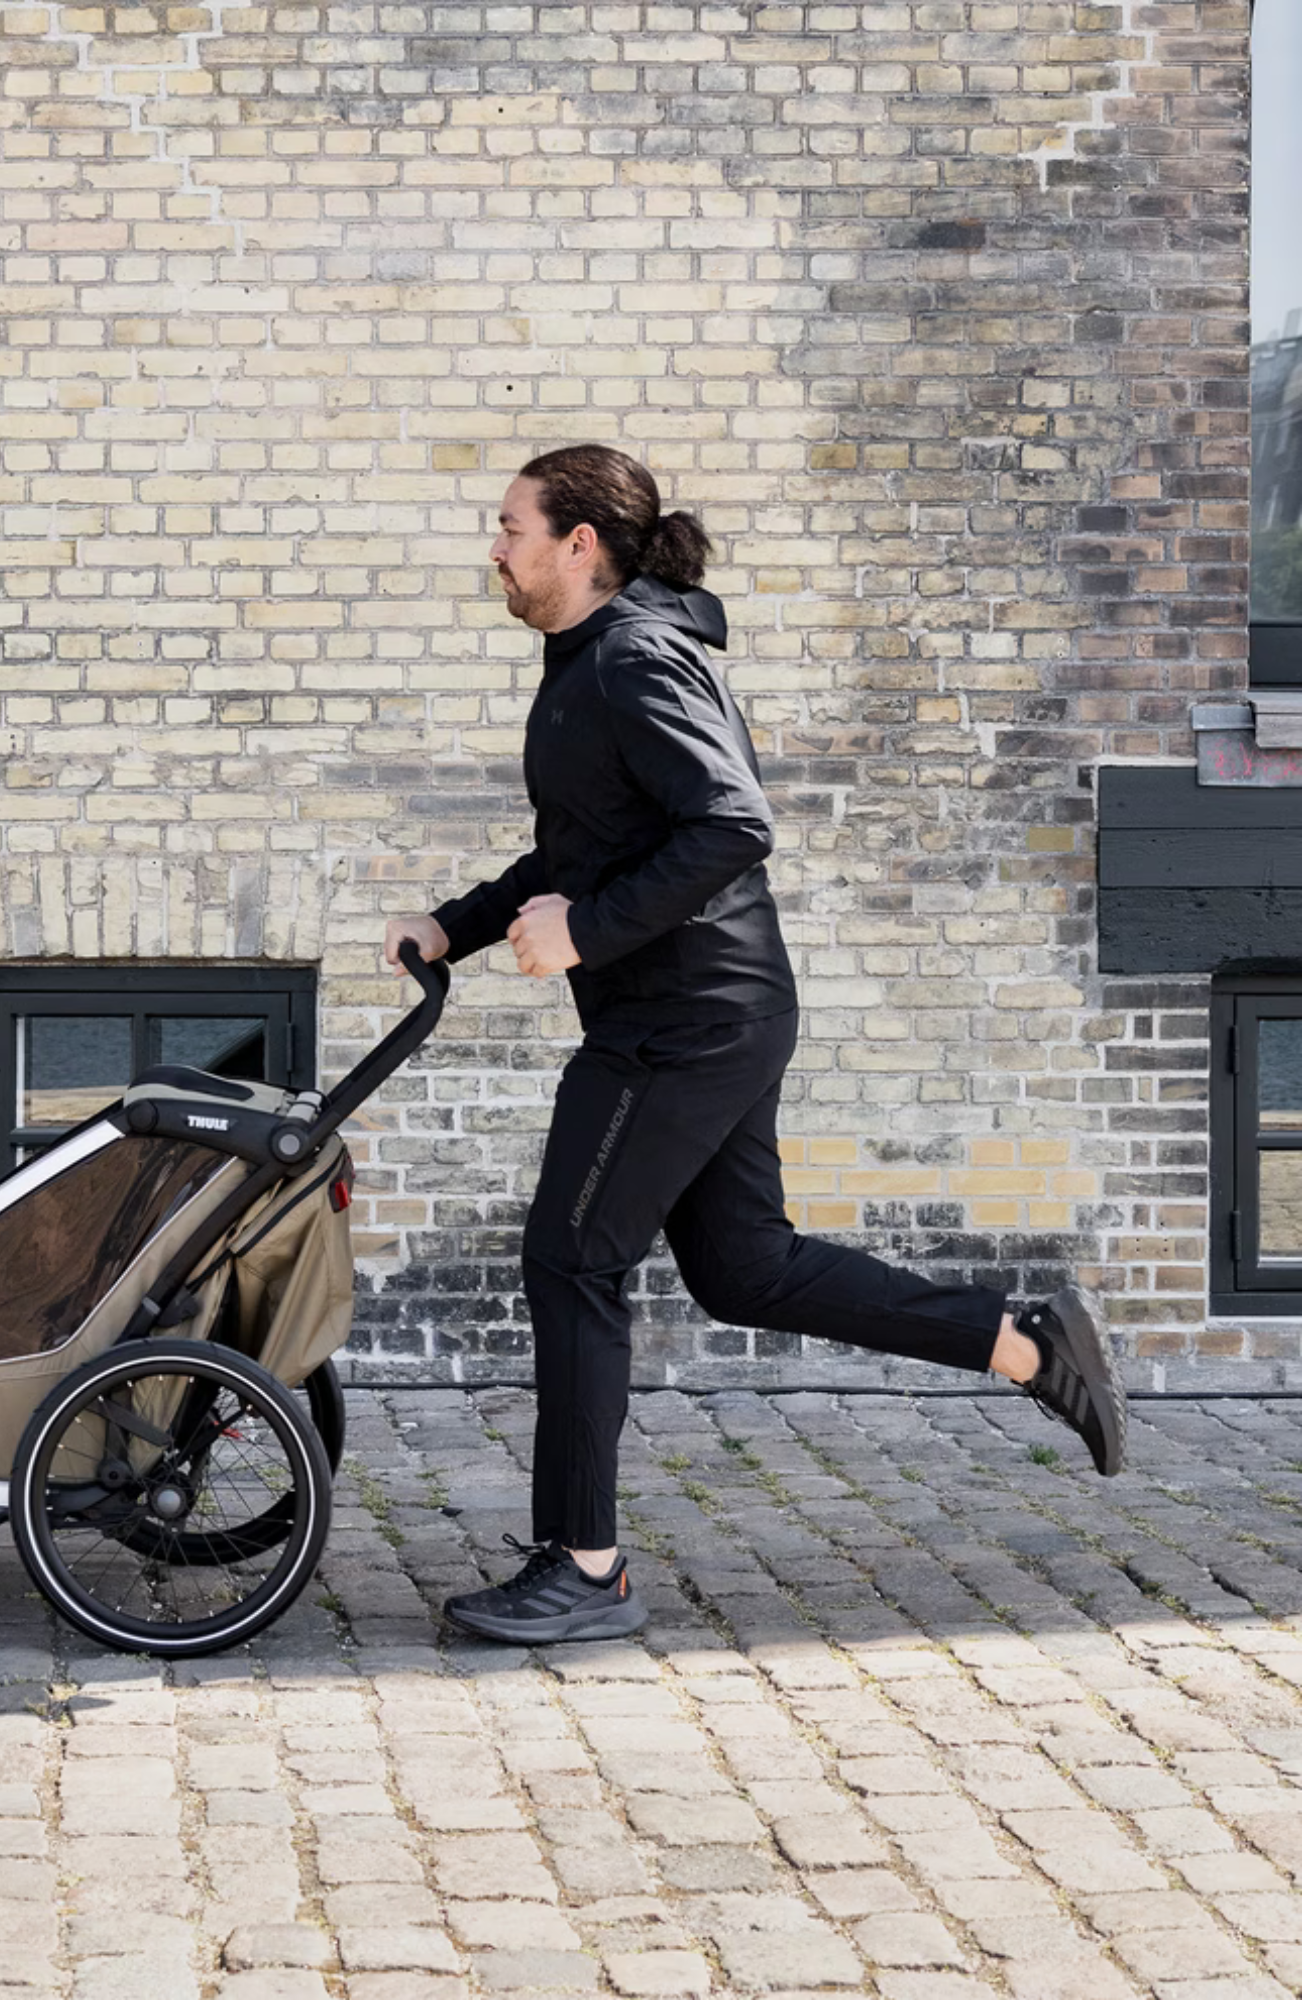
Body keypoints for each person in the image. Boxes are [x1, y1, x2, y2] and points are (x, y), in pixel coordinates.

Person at [384, 445, 1128, 1647]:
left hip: (682, 1019)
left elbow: (732, 823)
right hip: (703, 1010)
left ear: (578, 543)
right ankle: (1023, 1344)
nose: (495, 546)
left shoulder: (632, 657)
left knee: (571, 1258)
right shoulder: (587, 660)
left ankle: (584, 1565)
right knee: (744, 1268)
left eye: (510, 525)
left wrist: (585, 931)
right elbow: (585, 845)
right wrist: (454, 924)